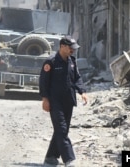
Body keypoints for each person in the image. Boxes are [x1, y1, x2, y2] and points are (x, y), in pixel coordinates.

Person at [39, 36, 88, 167]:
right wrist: (45, 99)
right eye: (70, 48)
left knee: (62, 130)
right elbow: (43, 82)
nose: (73, 50)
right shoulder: (51, 62)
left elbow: (77, 78)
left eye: (73, 48)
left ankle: (50, 158)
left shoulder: (72, 61)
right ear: (62, 46)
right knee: (61, 129)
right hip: (55, 102)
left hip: (68, 100)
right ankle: (69, 159)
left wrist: (82, 92)